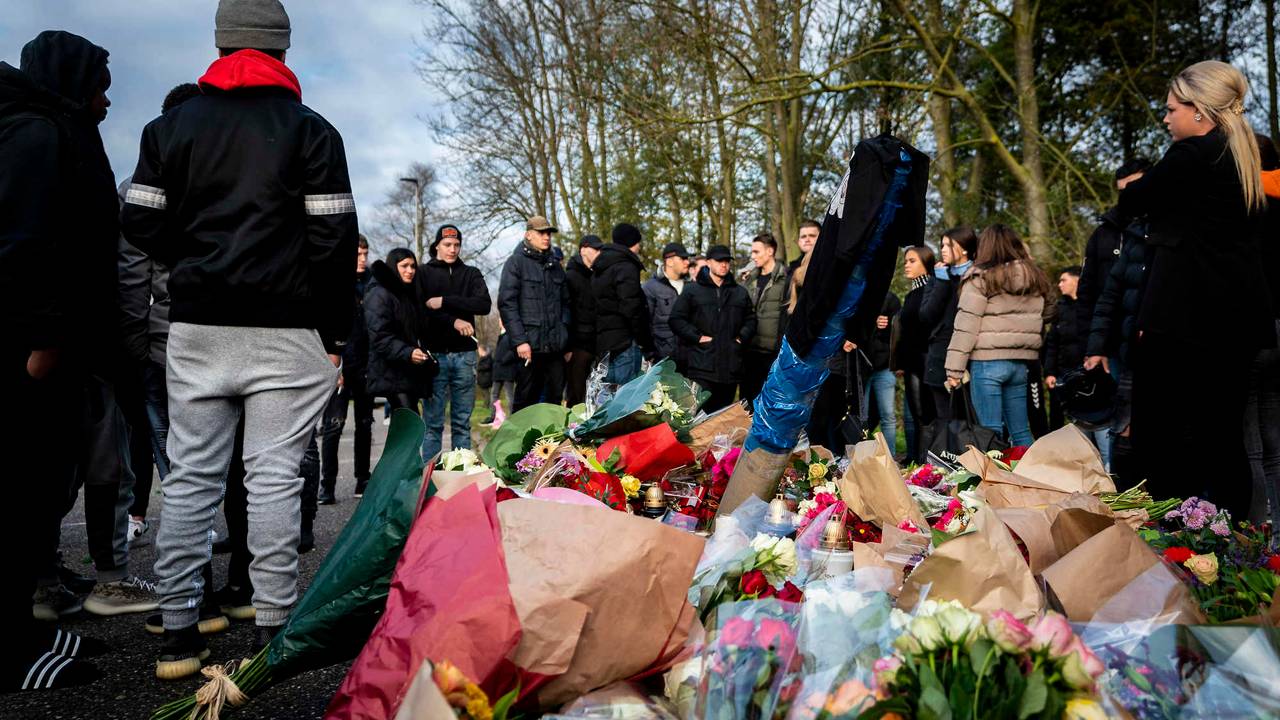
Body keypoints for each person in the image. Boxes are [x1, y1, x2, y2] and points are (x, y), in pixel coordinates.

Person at [121, 0, 357, 679]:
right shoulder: (313, 132)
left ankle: (177, 636)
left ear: (221, 44)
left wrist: (193, 259)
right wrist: (334, 328)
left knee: (191, 479)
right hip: (286, 329)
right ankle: (274, 630)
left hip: (197, 324)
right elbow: (334, 241)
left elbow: (138, 221)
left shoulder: (170, 127)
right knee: (274, 478)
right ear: (282, 49)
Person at [1087, 61, 1274, 519]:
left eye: (1172, 109)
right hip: (1237, 325)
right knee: (1224, 439)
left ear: (1200, 111)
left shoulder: (1193, 156)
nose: (1167, 119)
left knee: (1160, 438)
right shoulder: (1244, 155)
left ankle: (1171, 539)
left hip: (1184, 324)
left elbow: (1132, 200)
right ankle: (1235, 541)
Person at [1, 28, 117, 691]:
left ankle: (25, 624)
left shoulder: (52, 130)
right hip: (27, 351)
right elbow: (25, 243)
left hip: (47, 346)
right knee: (16, 498)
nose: (106, 98)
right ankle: (11, 649)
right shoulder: (38, 137)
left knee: (34, 499)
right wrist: (45, 341)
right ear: (71, 81)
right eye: (99, 84)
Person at [117, 82, 203, 540]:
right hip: (208, 331)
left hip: (161, 338)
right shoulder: (223, 176)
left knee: (169, 445)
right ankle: (204, 535)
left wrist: (134, 341)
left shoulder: (139, 188)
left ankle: (190, 538)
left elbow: (132, 272)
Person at [944, 225, 1052, 447]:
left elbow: (966, 325)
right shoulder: (1035, 277)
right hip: (1021, 364)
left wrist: (954, 369)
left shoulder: (980, 278)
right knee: (1021, 431)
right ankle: (1029, 478)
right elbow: (1049, 312)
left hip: (987, 363)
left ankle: (992, 481)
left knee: (989, 432)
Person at [419, 224, 492, 460]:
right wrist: (453, 321)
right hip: (434, 355)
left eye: (457, 245)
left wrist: (445, 301)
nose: (452, 249)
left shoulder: (470, 273)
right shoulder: (423, 273)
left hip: (464, 355)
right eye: (448, 245)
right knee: (433, 425)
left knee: (462, 423)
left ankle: (461, 476)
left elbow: (483, 304)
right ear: (437, 245)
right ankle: (430, 479)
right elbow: (422, 310)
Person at [318, 235, 374, 502]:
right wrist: (333, 365)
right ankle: (326, 485)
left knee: (365, 423)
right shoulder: (334, 280)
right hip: (339, 362)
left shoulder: (373, 283)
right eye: (357, 254)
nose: (362, 259)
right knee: (333, 426)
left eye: (365, 253)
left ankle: (363, 479)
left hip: (366, 365)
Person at [669, 245, 756, 412]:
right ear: (708, 262)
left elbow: (751, 320)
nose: (723, 264)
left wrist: (740, 339)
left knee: (722, 418)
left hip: (731, 366)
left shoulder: (739, 292)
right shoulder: (692, 291)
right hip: (701, 364)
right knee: (699, 415)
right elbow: (676, 319)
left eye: (726, 261)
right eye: (719, 261)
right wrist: (698, 338)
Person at [498, 215, 570, 410]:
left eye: (548, 233)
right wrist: (520, 341)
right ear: (528, 235)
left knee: (554, 401)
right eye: (541, 233)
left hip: (555, 348)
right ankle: (520, 440)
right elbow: (507, 304)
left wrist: (565, 338)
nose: (546, 237)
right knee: (525, 400)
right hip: (529, 347)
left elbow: (566, 303)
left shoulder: (555, 266)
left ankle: (550, 442)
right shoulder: (515, 263)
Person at [1044, 266, 1112, 465]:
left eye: (1064, 280)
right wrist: (1049, 372)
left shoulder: (1093, 306)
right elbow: (1052, 344)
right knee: (1080, 435)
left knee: (1101, 428)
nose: (1059, 284)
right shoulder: (1060, 309)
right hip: (1067, 378)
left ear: (1077, 280)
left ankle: (1111, 477)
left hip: (1095, 378)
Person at [1077, 158, 1151, 333]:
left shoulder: (1167, 228)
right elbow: (1086, 290)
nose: (1128, 196)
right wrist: (1089, 344)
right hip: (1108, 337)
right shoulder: (1102, 234)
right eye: (1122, 191)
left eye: (1134, 187)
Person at [1251, 136, 1280, 528]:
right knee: (1275, 440)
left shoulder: (1242, 204)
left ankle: (1253, 536)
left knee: (1249, 445)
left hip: (1251, 325)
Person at [366, 249, 434, 413]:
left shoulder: (408, 294)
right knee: (409, 425)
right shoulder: (380, 293)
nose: (410, 271)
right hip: (390, 372)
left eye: (412, 266)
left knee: (405, 430)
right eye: (404, 266)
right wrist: (408, 352)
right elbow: (379, 336)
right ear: (393, 266)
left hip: (408, 372)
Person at [920, 227, 977, 420]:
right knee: (945, 417)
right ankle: (950, 451)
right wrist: (942, 284)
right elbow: (926, 316)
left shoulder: (977, 275)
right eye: (942, 244)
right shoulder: (939, 277)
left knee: (973, 415)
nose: (943, 249)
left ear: (964, 249)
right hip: (940, 355)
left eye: (948, 245)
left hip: (973, 356)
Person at [593, 223, 653, 384]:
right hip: (625, 341)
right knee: (627, 399)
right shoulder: (626, 266)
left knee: (606, 396)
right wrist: (646, 343)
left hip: (604, 342)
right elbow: (632, 307)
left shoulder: (600, 267)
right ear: (632, 242)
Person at [894, 246, 937, 462]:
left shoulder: (934, 289)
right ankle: (920, 465)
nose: (906, 265)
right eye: (905, 261)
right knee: (917, 417)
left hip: (928, 362)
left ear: (926, 263)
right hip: (912, 364)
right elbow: (906, 333)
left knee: (928, 417)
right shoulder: (912, 294)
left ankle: (928, 465)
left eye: (912, 261)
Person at [740, 233, 790, 403]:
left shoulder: (786, 278)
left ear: (770, 251)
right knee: (746, 403)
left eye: (756, 252)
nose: (752, 256)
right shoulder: (750, 279)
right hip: (749, 351)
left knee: (770, 402)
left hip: (773, 353)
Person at [851, 292, 901, 453]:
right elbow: (853, 328)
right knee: (861, 416)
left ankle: (890, 457)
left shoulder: (892, 300)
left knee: (888, 415)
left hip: (884, 366)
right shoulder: (858, 296)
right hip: (861, 367)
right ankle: (861, 456)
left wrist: (888, 326)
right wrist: (872, 323)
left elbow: (897, 332)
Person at [564, 234, 602, 406]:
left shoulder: (598, 276)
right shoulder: (570, 276)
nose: (599, 253)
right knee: (576, 394)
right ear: (583, 250)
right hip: (577, 346)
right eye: (596, 249)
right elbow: (566, 311)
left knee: (594, 394)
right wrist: (568, 346)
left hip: (597, 343)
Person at [643, 242, 691, 368]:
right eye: (683, 259)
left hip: (691, 360)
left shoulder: (692, 287)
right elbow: (645, 324)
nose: (687, 262)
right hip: (662, 360)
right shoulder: (650, 288)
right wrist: (651, 354)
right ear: (669, 262)